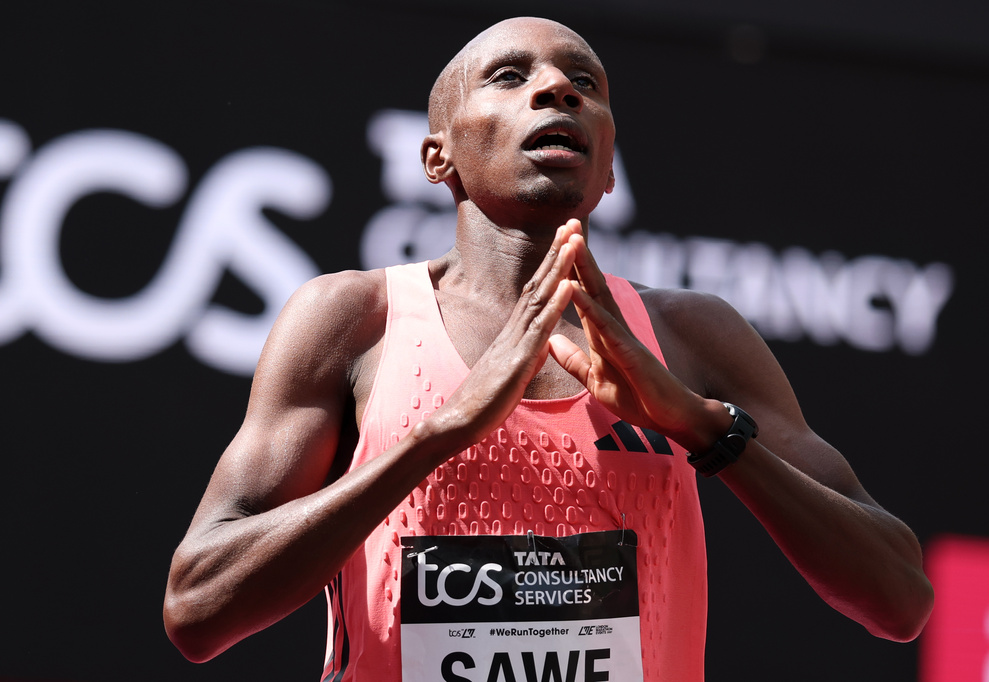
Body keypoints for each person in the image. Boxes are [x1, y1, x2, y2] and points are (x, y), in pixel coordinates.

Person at [163, 16, 933, 681]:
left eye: (585, 84)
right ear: (438, 157)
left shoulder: (689, 334)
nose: (559, 89)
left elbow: (900, 600)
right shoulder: (357, 319)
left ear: (608, 166)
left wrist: (705, 429)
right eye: (509, 76)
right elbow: (198, 609)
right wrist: (437, 433)